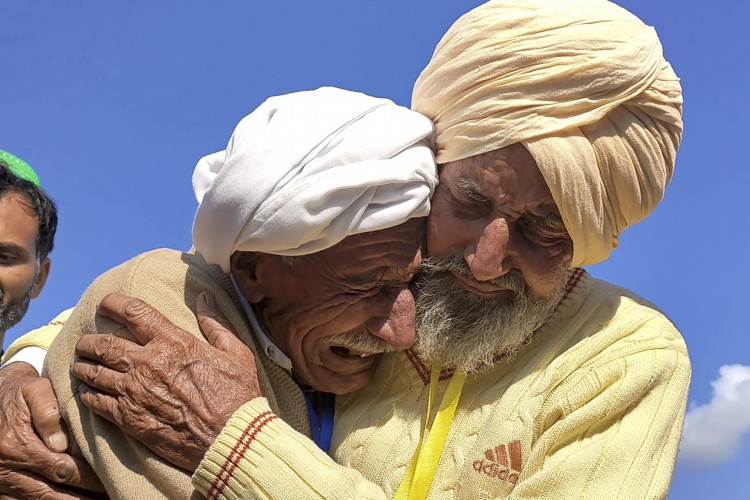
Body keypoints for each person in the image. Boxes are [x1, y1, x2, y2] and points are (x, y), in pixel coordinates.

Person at [1, 0, 690, 498]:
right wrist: (22, 367)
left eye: (547, 231)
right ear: (433, 167)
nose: (484, 260)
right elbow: (172, 292)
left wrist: (239, 447)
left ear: (596, 238)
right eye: (472, 202)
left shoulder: (627, 360)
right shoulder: (374, 276)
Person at [8, 86, 437, 499]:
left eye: (410, 283)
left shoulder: (315, 337)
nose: (402, 333)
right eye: (365, 287)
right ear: (253, 271)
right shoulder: (158, 311)